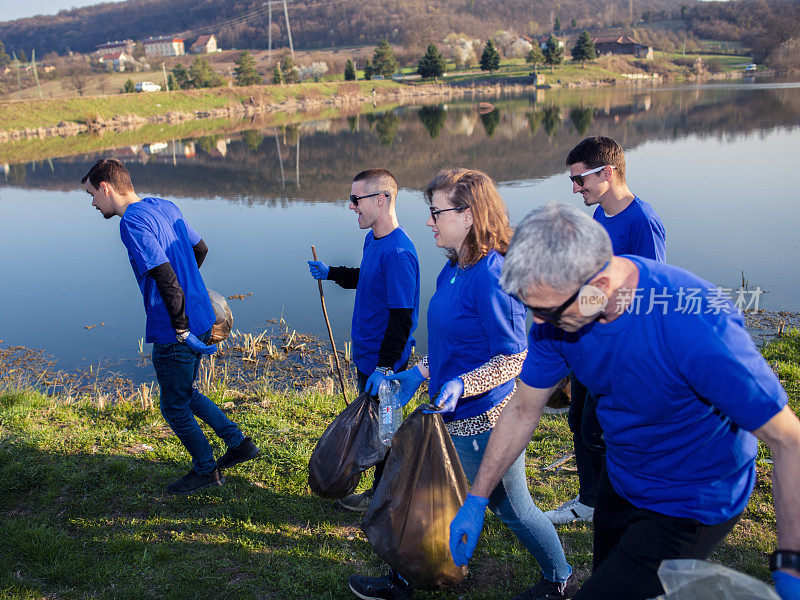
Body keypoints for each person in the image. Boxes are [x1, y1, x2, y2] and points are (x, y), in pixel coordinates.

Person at [449, 203, 800, 600]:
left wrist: (791, 560)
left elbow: (789, 440)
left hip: (691, 499)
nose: (540, 326)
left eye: (546, 311)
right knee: (608, 575)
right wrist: (477, 498)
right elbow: (522, 408)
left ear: (598, 287)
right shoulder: (559, 316)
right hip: (623, 477)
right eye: (533, 310)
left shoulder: (697, 325)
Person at [348, 169, 577, 600]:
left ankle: (559, 578)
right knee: (422, 498)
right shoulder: (452, 269)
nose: (430, 221)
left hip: (485, 423)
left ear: (468, 215)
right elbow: (457, 344)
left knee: (514, 511)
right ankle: (404, 579)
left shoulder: (493, 275)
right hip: (447, 417)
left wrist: (465, 384)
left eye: (437, 212)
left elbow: (514, 356)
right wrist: (419, 372)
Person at [82, 157, 259, 494]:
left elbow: (164, 275)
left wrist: (179, 327)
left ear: (106, 187)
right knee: (186, 392)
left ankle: (206, 470)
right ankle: (239, 444)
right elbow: (200, 248)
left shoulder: (131, 222)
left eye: (92, 194)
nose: (92, 202)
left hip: (176, 328)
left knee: (173, 406)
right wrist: (191, 287)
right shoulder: (164, 205)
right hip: (204, 315)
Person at [546, 136, 667, 526]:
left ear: (608, 173)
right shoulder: (602, 217)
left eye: (580, 180)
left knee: (601, 429)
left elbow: (651, 292)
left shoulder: (642, 221)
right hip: (592, 344)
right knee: (579, 419)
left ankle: (615, 503)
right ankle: (591, 499)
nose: (575, 188)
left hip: (622, 351)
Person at [308, 168, 420, 512]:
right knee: (377, 431)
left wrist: (385, 368)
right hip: (368, 359)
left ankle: (383, 499)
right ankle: (383, 493)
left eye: (357, 199)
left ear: (381, 199)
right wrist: (332, 273)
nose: (352, 206)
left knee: (385, 434)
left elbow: (402, 320)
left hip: (384, 365)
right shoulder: (373, 239)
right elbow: (367, 278)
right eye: (351, 199)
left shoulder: (400, 253)